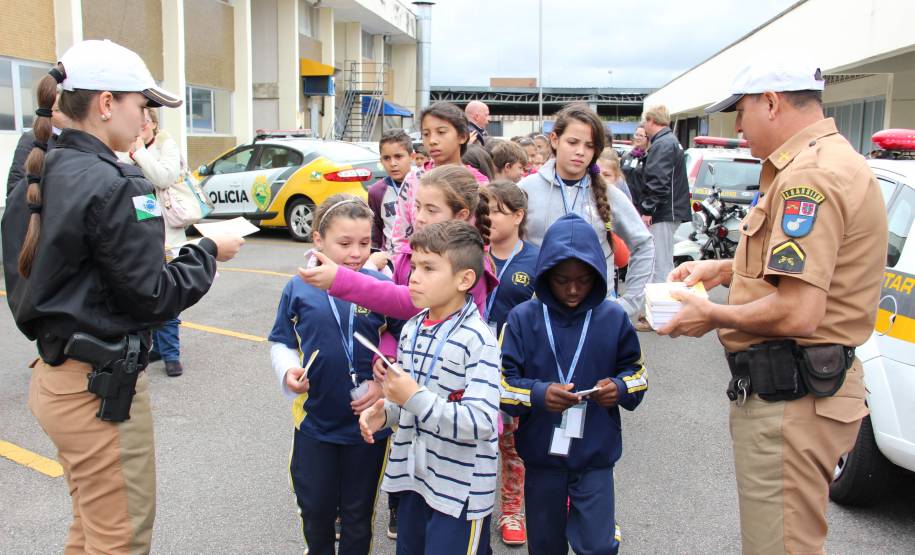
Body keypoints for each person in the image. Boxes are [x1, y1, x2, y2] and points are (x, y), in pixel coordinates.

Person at [1, 39, 244, 554]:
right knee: (121, 538)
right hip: (96, 392)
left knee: (91, 528)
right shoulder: (118, 182)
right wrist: (207, 250)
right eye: (142, 104)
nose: (145, 118)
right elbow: (152, 297)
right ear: (107, 103)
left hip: (56, 377)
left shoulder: (38, 165)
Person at [658, 61, 887, 554]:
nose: (737, 127)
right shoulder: (821, 162)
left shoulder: (812, 177)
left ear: (771, 101)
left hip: (793, 398)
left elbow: (799, 310)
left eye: (741, 112)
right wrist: (723, 270)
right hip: (800, 393)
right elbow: (799, 269)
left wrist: (712, 315)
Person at [501, 213, 647, 555]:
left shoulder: (612, 317)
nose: (572, 289)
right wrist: (538, 394)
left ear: (597, 276)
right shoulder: (523, 318)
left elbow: (637, 373)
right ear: (545, 276)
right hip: (542, 457)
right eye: (562, 280)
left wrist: (620, 387)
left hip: (594, 454)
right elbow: (502, 385)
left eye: (583, 280)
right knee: (546, 546)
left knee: (597, 546)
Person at [358, 220, 502, 554]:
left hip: (459, 492)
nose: (414, 276)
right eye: (414, 266)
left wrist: (412, 397)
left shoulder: (478, 340)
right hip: (415, 479)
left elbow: (480, 422)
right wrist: (387, 412)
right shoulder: (412, 327)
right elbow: (412, 398)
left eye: (428, 268)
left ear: (464, 279)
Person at [270, 194, 400, 555]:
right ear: (318, 241)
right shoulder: (298, 287)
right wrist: (288, 371)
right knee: (316, 510)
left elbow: (404, 336)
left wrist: (384, 381)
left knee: (359, 515)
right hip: (315, 423)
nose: (356, 252)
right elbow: (280, 340)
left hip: (368, 427)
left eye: (364, 243)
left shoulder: (378, 286)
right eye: (344, 243)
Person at [299, 165, 498, 322]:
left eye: (431, 210)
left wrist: (341, 280)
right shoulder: (408, 254)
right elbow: (393, 320)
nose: (419, 217)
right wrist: (387, 352)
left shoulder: (469, 263)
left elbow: (408, 304)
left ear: (461, 215)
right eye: (418, 206)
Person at [518, 103, 654, 320]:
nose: (580, 151)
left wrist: (630, 303)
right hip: (540, 310)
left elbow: (644, 243)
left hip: (599, 312)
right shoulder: (526, 190)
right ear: (555, 139)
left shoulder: (609, 194)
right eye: (572, 142)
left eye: (589, 146)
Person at [482, 181, 539, 546]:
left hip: (516, 368)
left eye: (498, 211)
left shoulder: (537, 260)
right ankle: (472, 506)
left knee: (512, 445)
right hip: (474, 365)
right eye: (485, 210)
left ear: (518, 216)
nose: (489, 217)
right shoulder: (471, 253)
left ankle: (512, 510)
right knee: (478, 439)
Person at [125, 107, 186, 376]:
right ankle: (159, 347)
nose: (140, 127)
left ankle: (172, 354)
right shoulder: (125, 146)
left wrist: (139, 152)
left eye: (145, 122)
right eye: (136, 122)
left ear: (153, 124)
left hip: (166, 232)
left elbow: (163, 177)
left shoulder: (165, 145)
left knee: (167, 291)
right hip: (139, 229)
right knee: (147, 292)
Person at [390, 102, 489, 252]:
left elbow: (484, 236)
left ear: (462, 136)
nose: (432, 140)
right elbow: (400, 236)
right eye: (426, 134)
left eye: (441, 132)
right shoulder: (414, 178)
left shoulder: (479, 182)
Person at [639, 104, 690, 298]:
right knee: (662, 261)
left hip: (663, 211)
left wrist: (648, 210)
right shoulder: (670, 141)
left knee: (660, 263)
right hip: (670, 209)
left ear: (652, 120)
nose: (644, 127)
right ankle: (660, 309)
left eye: (645, 122)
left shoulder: (662, 144)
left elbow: (658, 180)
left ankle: (660, 309)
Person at [7, 87, 70, 195]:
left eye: (68, 110)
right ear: (47, 114)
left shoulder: (79, 138)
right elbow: (15, 184)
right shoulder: (31, 139)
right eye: (58, 110)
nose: (66, 115)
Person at [368, 129, 413, 253]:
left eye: (398, 156)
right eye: (386, 158)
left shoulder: (424, 184)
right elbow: (376, 232)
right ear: (381, 160)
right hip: (391, 259)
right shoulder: (376, 192)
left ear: (411, 157)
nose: (393, 163)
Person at [620, 126, 648, 215]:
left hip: (640, 206)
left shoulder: (649, 158)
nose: (638, 137)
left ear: (647, 139)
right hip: (625, 203)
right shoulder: (626, 157)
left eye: (641, 135)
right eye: (636, 134)